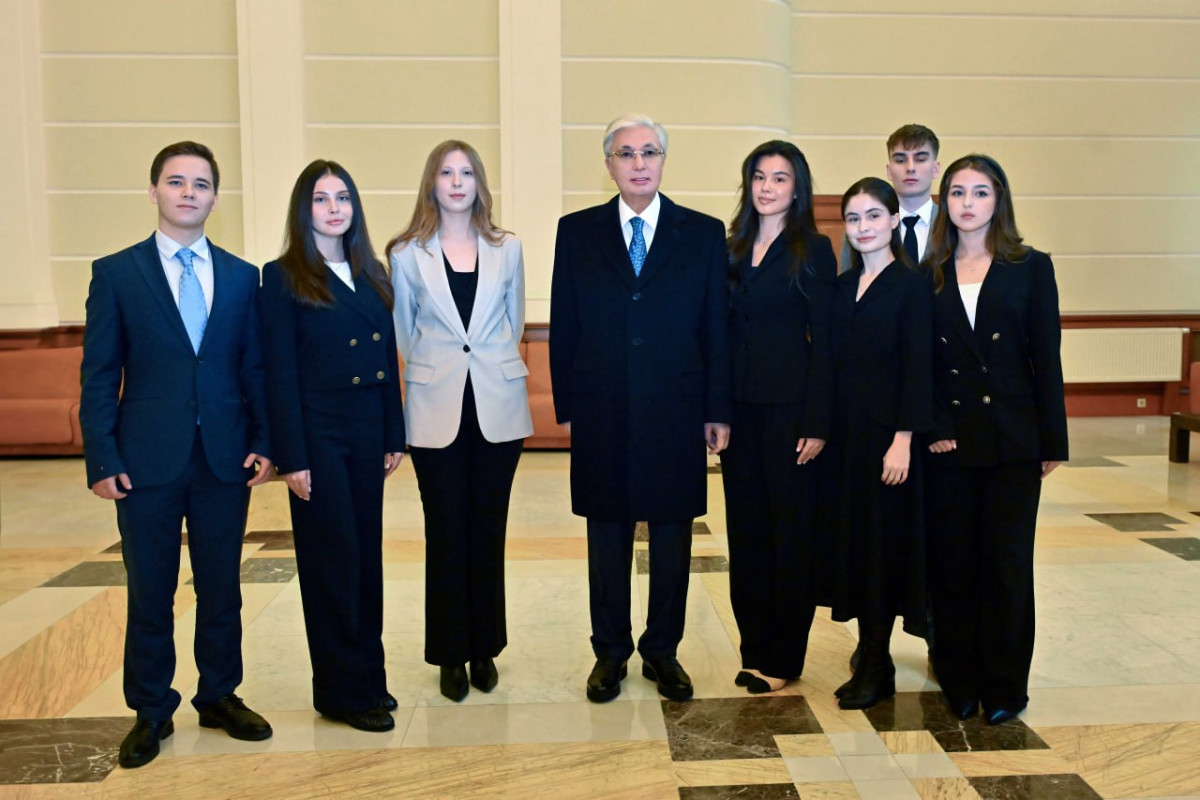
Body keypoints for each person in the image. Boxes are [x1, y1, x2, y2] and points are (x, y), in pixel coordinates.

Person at [80, 141, 274, 768]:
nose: (189, 192)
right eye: (176, 181)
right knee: (151, 589)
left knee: (221, 587)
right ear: (154, 191)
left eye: (201, 184)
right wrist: (103, 457)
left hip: (223, 458)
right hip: (145, 461)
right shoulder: (117, 273)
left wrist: (264, 442)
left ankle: (219, 695)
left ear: (215, 197)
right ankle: (150, 709)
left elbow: (254, 368)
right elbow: (99, 374)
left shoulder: (243, 277)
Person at [550, 113, 732, 703]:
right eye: (625, 153)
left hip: (676, 407)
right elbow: (565, 322)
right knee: (606, 533)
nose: (638, 163)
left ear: (662, 161)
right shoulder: (576, 232)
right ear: (609, 164)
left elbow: (715, 327)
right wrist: (568, 403)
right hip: (601, 407)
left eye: (649, 152)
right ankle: (609, 652)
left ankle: (662, 650)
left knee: (673, 533)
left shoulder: (702, 234)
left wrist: (717, 408)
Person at [260, 160, 405, 732]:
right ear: (305, 210)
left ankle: (369, 677)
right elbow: (279, 373)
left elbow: (386, 360)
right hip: (317, 436)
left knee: (365, 559)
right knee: (331, 563)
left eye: (342, 197)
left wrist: (393, 434)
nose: (334, 208)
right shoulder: (282, 277)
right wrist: (291, 457)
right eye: (321, 199)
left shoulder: (371, 272)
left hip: (368, 431)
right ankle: (341, 693)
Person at [923, 155, 1068, 725]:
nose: (968, 203)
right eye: (958, 192)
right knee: (953, 565)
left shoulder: (1030, 267)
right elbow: (920, 364)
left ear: (998, 200)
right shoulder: (928, 270)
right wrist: (935, 425)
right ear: (945, 202)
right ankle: (959, 679)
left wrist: (1052, 439)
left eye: (980, 192)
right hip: (949, 444)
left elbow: (1046, 357)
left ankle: (1006, 684)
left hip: (1013, 438)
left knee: (1006, 565)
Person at [389, 141, 532, 702]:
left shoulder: (507, 247)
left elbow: (513, 321)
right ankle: (450, 652)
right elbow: (405, 333)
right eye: (446, 172)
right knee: (445, 532)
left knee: (488, 530)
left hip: (498, 406)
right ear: (432, 183)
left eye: (466, 172)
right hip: (435, 408)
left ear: (479, 183)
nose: (456, 181)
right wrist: (440, 369)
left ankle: (485, 648)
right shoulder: (406, 253)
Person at [720, 141, 835, 694]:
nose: (767, 187)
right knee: (746, 536)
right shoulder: (731, 248)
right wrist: (716, 410)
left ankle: (784, 657)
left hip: (793, 415)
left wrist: (818, 422)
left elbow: (827, 343)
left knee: (790, 537)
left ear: (797, 188)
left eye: (780, 178)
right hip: (740, 415)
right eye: (759, 177)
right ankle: (754, 649)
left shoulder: (813, 249)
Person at [827, 177, 933, 710]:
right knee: (855, 549)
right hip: (847, 442)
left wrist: (904, 438)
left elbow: (918, 367)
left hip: (889, 443)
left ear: (894, 220)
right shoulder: (842, 286)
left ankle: (876, 662)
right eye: (853, 218)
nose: (863, 227)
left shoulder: (912, 285)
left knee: (882, 554)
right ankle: (872, 658)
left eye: (873, 216)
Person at [840, 124, 940, 272]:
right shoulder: (862, 226)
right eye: (900, 160)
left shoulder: (951, 223)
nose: (910, 168)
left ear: (935, 169)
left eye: (920, 159)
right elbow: (847, 278)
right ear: (889, 171)